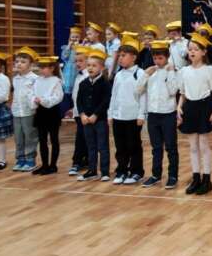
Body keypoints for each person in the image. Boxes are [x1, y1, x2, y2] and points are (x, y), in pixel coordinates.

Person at [177, 32, 212, 195]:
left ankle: (207, 179)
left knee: (203, 145)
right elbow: (182, 93)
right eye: (190, 49)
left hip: (204, 107)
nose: (192, 52)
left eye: (196, 49)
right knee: (193, 146)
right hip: (189, 108)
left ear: (203, 52)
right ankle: (195, 178)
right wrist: (179, 107)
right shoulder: (184, 71)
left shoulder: (209, 70)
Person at [139, 40, 180, 188]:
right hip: (153, 115)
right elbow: (137, 90)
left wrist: (170, 72)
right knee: (156, 147)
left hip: (168, 114)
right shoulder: (151, 72)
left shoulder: (173, 71)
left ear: (167, 57)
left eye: (160, 58)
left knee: (171, 147)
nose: (157, 61)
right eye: (155, 58)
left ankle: (173, 176)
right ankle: (156, 175)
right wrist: (145, 75)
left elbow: (173, 91)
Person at [108, 35, 147, 185]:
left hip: (133, 117)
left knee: (134, 145)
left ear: (134, 57)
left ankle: (136, 171)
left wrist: (141, 114)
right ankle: (121, 170)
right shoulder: (118, 75)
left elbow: (143, 96)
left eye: (124, 55)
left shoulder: (140, 73)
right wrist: (110, 113)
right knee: (120, 146)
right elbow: (114, 95)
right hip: (119, 116)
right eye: (119, 56)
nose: (120, 58)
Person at [77, 49, 111, 182]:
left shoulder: (105, 83)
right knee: (91, 146)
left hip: (100, 119)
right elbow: (79, 101)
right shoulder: (83, 83)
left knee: (102, 146)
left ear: (101, 68)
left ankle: (105, 171)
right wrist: (82, 114)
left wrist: (96, 114)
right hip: (86, 120)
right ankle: (92, 170)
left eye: (94, 65)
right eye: (89, 65)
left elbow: (106, 101)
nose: (90, 68)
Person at [32, 55, 64, 175]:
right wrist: (34, 100)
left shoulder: (56, 81)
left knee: (54, 139)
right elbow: (32, 93)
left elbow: (58, 97)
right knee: (42, 140)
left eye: (43, 67)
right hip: (41, 112)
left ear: (51, 68)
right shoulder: (38, 80)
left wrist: (44, 101)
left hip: (52, 112)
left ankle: (53, 165)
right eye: (40, 67)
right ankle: (44, 164)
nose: (41, 70)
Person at [10, 46, 39, 172]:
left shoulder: (34, 79)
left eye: (23, 62)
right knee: (18, 137)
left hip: (29, 112)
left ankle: (30, 159)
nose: (19, 64)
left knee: (30, 136)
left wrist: (34, 107)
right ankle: (20, 159)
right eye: (17, 61)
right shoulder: (15, 79)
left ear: (31, 65)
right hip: (17, 112)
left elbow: (35, 95)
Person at [67, 46, 90, 176]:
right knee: (83, 137)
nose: (77, 63)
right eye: (76, 61)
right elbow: (76, 95)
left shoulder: (88, 76)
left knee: (81, 138)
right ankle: (84, 160)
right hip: (78, 112)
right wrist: (73, 108)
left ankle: (77, 162)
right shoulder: (78, 76)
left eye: (81, 61)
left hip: (85, 114)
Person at [60, 26, 83, 117]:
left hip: (76, 70)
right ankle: (66, 111)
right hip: (68, 71)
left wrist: (77, 47)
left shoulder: (81, 47)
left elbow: (81, 56)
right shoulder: (66, 47)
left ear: (79, 38)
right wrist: (69, 47)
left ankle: (74, 110)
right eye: (73, 37)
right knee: (67, 92)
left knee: (75, 90)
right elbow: (64, 57)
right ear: (70, 37)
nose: (74, 38)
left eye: (77, 37)